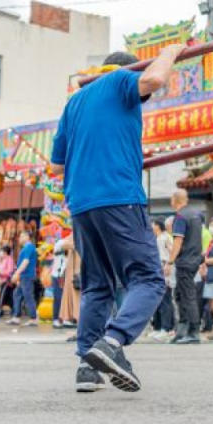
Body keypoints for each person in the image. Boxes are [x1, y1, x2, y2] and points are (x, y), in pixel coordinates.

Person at [49, 45, 182, 393]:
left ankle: (87, 367)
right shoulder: (121, 79)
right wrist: (172, 51)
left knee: (97, 285)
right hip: (117, 196)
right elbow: (153, 78)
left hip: (81, 203)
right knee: (150, 278)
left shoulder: (74, 102)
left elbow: (56, 165)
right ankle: (113, 341)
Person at [167, 189, 203, 345]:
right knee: (181, 295)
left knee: (187, 296)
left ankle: (193, 332)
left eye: (171, 199)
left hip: (184, 261)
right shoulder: (197, 214)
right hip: (195, 259)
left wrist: (169, 262)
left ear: (176, 200)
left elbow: (178, 241)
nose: (170, 202)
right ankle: (181, 331)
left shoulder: (180, 216)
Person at [148, 220, 175, 341]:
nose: (151, 226)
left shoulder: (164, 238)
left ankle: (166, 328)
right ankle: (159, 327)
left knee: (165, 301)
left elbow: (171, 252)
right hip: (159, 270)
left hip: (164, 271)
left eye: (153, 224)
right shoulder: (159, 238)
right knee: (159, 301)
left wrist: (168, 265)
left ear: (158, 226)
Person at [7, 231, 38, 327]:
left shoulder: (29, 247)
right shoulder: (25, 248)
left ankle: (33, 319)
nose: (19, 238)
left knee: (28, 296)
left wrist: (16, 273)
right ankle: (16, 317)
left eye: (21, 236)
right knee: (17, 294)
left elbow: (25, 262)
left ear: (27, 237)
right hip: (24, 276)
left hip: (27, 276)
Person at [51, 235, 75, 329]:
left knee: (66, 298)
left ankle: (66, 318)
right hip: (58, 276)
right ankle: (56, 319)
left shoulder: (69, 250)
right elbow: (62, 245)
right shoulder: (60, 244)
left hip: (66, 276)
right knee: (58, 297)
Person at [0, 245, 15, 319]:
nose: (1, 253)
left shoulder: (9, 259)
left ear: (5, 252)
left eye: (2, 251)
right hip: (1, 281)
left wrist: (0, 273)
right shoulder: (3, 259)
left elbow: (9, 271)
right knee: (7, 297)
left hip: (7, 281)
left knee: (2, 297)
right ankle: (11, 311)